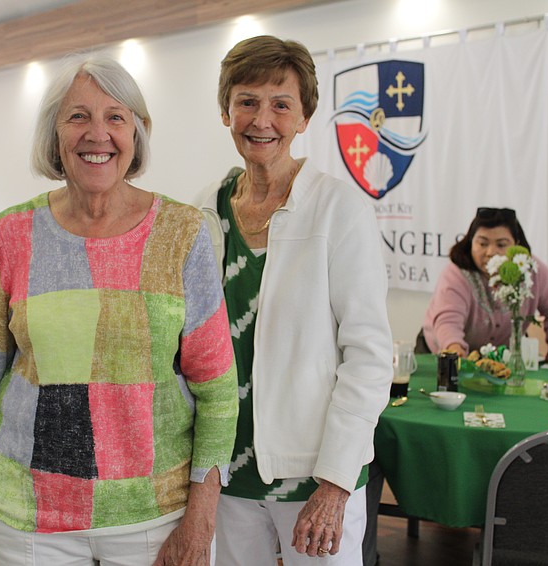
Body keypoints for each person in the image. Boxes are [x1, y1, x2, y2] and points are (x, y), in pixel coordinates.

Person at [0, 55, 238, 566]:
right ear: (53, 134)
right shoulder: (13, 233)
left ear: (137, 132)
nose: (97, 134)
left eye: (115, 117)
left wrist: (201, 521)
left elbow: (218, 391)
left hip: (152, 516)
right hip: (27, 516)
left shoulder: (182, 232)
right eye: (78, 116)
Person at [198, 36, 393, 565]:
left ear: (304, 118)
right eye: (247, 101)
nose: (262, 119)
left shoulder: (339, 210)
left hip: (315, 475)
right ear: (226, 111)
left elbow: (370, 357)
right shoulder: (204, 212)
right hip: (225, 474)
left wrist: (335, 482)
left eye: (281, 105)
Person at [422, 206, 548, 365]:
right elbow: (448, 321)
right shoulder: (456, 274)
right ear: (471, 242)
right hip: (444, 353)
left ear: (516, 245)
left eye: (501, 245)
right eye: (482, 244)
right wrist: (454, 350)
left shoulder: (529, 269)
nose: (490, 252)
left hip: (502, 358)